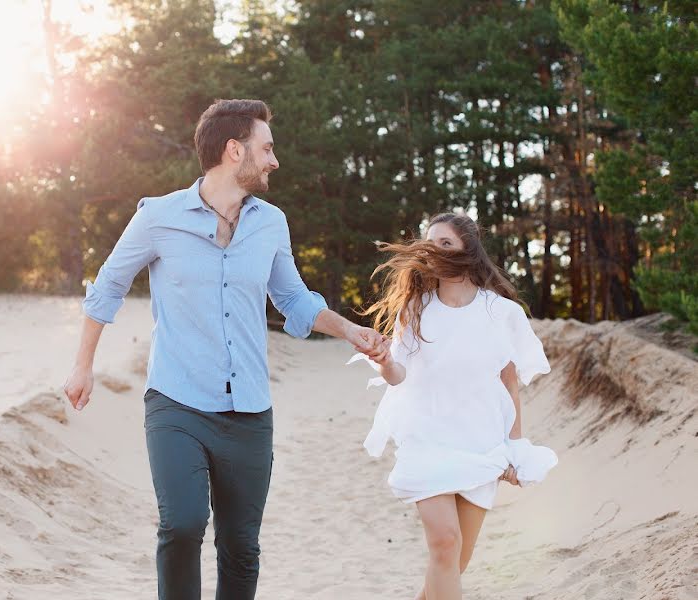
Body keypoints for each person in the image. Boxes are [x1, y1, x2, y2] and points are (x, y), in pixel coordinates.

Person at [63, 98, 383, 600]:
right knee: (184, 523)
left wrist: (352, 331)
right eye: (267, 148)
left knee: (240, 547)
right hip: (177, 401)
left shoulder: (270, 223)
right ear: (235, 151)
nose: (275, 160)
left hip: (249, 409)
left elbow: (294, 299)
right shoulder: (159, 217)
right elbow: (107, 287)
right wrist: (82, 367)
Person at [350, 212, 558, 600]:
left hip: (480, 443)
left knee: (454, 562)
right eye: (431, 242)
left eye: (445, 242)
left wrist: (516, 446)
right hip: (426, 438)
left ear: (468, 249)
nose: (434, 248)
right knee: (445, 545)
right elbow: (398, 376)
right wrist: (383, 361)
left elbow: (509, 385)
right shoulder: (415, 309)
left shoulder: (501, 313)